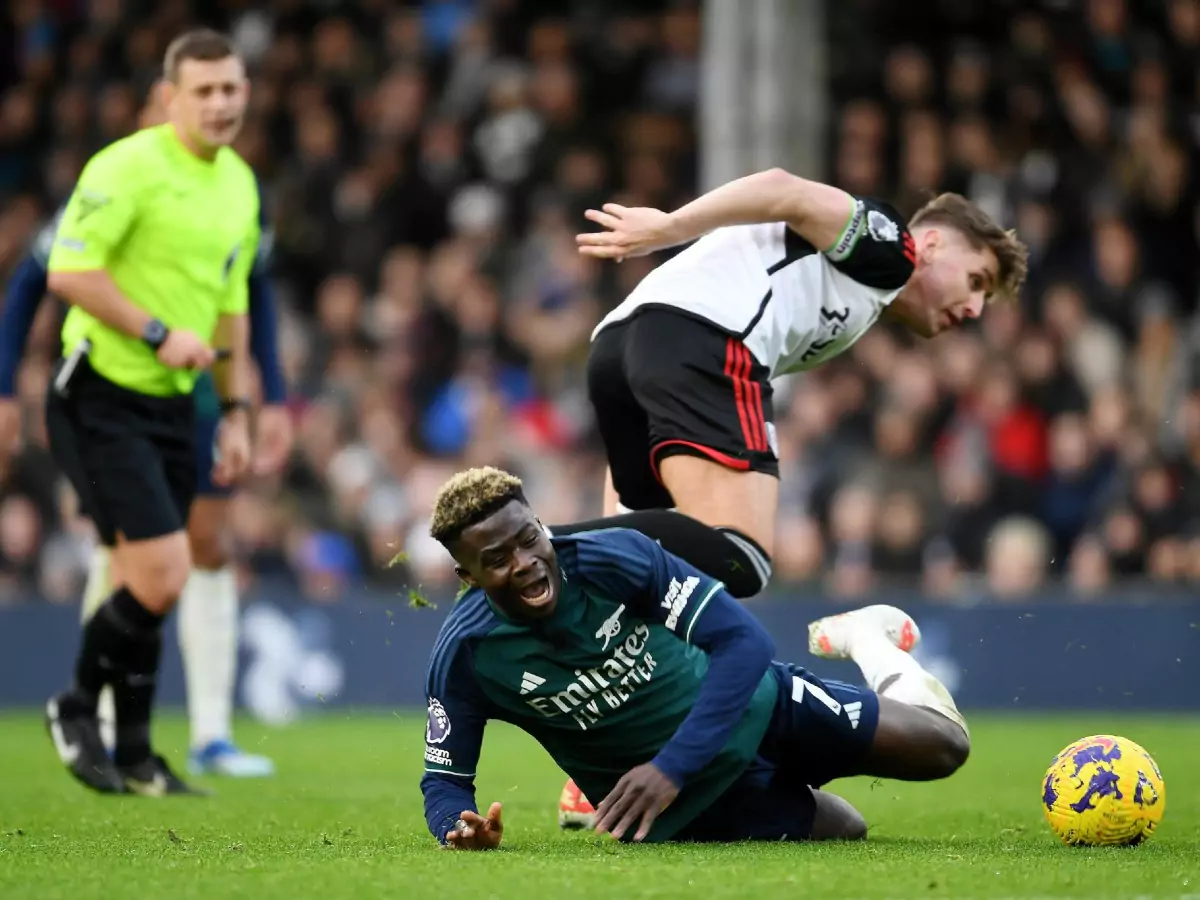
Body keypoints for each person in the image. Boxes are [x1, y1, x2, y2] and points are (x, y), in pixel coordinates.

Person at [548, 170, 1028, 825]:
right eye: (977, 282)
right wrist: (666, 228)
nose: (974, 310)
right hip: (704, 337)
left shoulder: (854, 289)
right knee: (742, 555)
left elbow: (636, 523)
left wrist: (609, 534)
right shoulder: (891, 249)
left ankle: (591, 773)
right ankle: (534, 542)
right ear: (937, 243)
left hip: (620, 346)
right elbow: (785, 189)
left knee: (648, 586)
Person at [420, 467, 969, 849]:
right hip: (686, 808)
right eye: (497, 559)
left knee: (945, 747)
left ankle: (867, 641)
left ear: (540, 523)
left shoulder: (612, 558)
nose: (525, 562)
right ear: (467, 576)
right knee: (848, 827)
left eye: (529, 537)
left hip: (757, 709)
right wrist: (456, 828)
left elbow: (745, 643)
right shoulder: (467, 654)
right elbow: (444, 782)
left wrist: (669, 767)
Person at [0, 79, 290, 780]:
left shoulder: (234, 192)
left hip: (186, 397)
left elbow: (248, 298)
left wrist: (253, 403)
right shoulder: (117, 179)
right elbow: (38, 279)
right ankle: (88, 714)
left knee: (185, 554)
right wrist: (7, 386)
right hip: (108, 391)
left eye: (231, 91)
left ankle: (157, 742)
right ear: (164, 107)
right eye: (199, 95)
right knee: (147, 562)